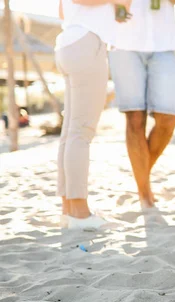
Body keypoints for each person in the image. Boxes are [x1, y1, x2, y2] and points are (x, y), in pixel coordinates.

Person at [108, 0, 175, 210]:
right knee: (135, 118)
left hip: (163, 44)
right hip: (123, 42)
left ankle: (142, 174)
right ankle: (144, 192)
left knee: (168, 119)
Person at [55, 0, 130, 230]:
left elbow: (62, 10)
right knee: (80, 132)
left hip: (69, 42)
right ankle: (78, 212)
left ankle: (69, 209)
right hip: (86, 43)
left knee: (70, 132)